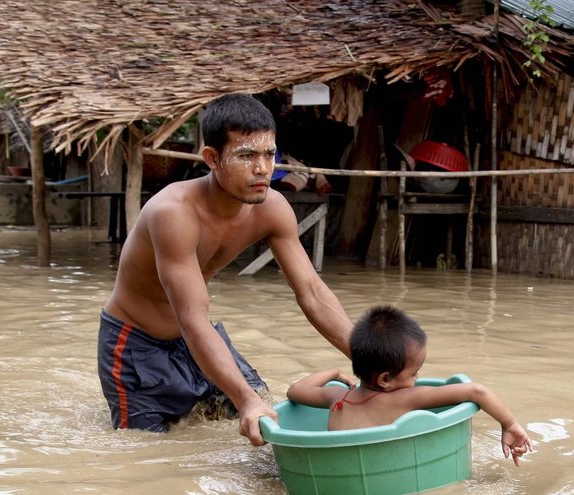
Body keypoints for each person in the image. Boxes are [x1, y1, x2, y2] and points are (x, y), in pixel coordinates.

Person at [98, 93, 353, 445]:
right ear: (212, 158)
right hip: (136, 343)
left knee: (264, 419)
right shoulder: (172, 213)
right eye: (246, 155)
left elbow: (311, 291)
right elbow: (192, 318)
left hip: (197, 337)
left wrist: (369, 361)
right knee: (148, 453)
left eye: (269, 154)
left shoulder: (272, 208)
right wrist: (244, 398)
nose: (263, 168)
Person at [287, 305, 533, 466]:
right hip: (387, 478)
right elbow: (477, 392)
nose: (416, 379)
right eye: (414, 373)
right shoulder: (405, 399)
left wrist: (333, 372)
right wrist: (509, 424)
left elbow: (295, 391)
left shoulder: (337, 398)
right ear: (385, 380)